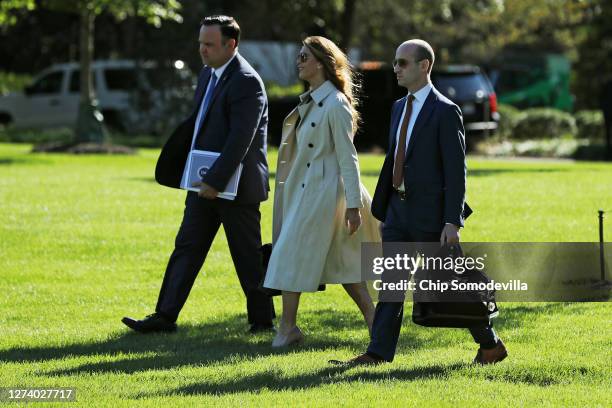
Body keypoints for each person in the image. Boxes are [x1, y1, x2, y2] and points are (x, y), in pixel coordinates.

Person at [334, 39, 507, 365]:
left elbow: (457, 172)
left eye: (403, 62)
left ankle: (491, 344)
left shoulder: (446, 110)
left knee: (452, 285)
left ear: (424, 66)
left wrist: (452, 221)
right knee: (391, 285)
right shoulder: (399, 107)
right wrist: (385, 207)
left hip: (432, 216)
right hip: (398, 213)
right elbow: (394, 160)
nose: (396, 68)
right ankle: (378, 353)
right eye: (396, 61)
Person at [122, 15, 275, 334]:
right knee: (186, 248)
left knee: (247, 257)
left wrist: (215, 181)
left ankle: (262, 322)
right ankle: (164, 317)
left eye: (209, 44)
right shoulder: (208, 74)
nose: (202, 50)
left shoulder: (247, 81)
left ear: (230, 44)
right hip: (203, 184)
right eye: (200, 43)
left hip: (236, 188)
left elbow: (240, 139)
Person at [263, 36, 380, 347]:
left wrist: (354, 206)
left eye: (305, 56)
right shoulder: (313, 100)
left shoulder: (336, 104)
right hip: (308, 193)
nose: (299, 61)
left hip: (328, 194)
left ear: (322, 63)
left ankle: (287, 329)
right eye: (299, 56)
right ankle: (374, 322)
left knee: (290, 253)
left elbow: (348, 156)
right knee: (343, 262)